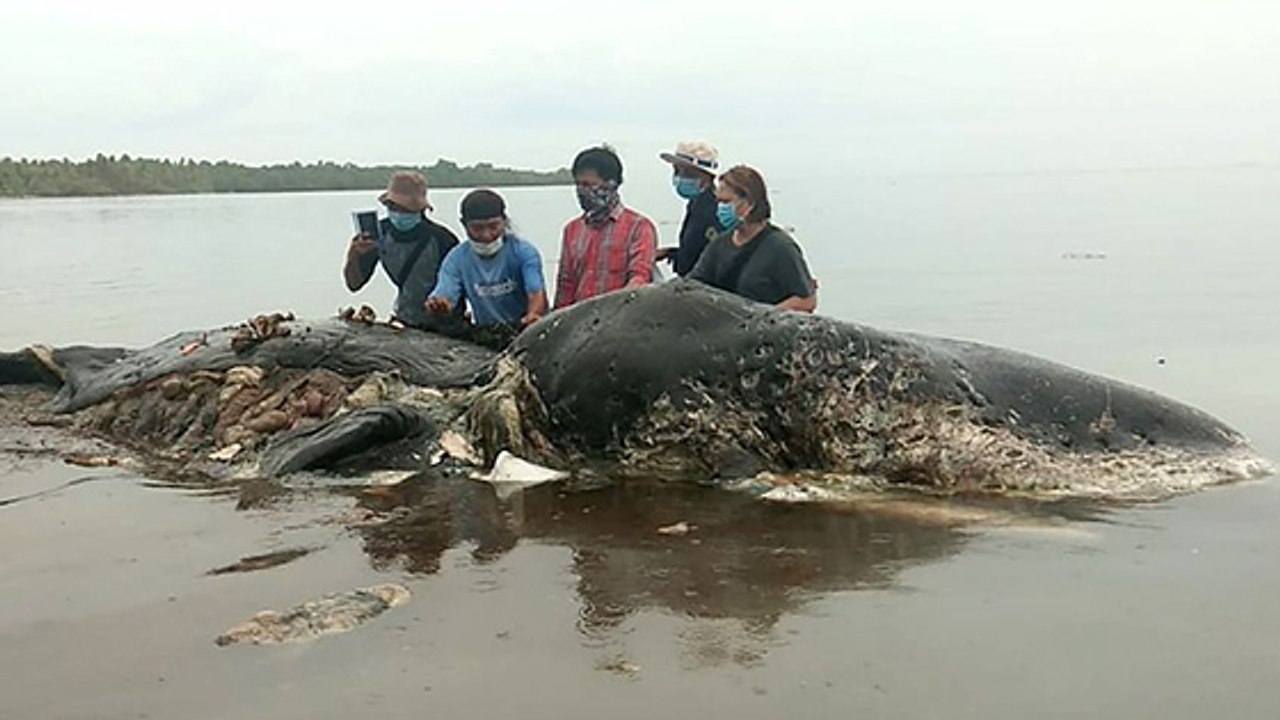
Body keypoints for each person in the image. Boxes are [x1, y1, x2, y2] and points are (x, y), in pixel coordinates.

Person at [688, 165, 817, 313]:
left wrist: (765, 317)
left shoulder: (780, 247)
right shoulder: (719, 245)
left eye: (726, 202)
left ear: (749, 203)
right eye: (719, 202)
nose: (720, 208)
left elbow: (806, 301)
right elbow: (694, 285)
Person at [343, 171, 458, 328]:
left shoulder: (442, 239)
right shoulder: (378, 233)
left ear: (421, 209)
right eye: (393, 206)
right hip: (403, 320)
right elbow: (354, 285)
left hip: (445, 324)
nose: (399, 212)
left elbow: (459, 286)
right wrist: (353, 255)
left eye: (407, 209)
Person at [554, 145, 658, 309]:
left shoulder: (639, 227)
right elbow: (566, 285)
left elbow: (640, 278)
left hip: (620, 319)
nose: (582, 191)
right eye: (578, 185)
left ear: (611, 184)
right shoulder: (571, 230)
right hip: (579, 321)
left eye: (589, 185)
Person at [426, 189, 548, 328]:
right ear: (464, 224)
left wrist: (533, 316)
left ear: (504, 221)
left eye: (493, 226)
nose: (486, 235)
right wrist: (439, 306)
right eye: (477, 229)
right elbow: (445, 294)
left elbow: (536, 291)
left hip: (525, 327)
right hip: (487, 331)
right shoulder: (456, 259)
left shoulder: (523, 252)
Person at [656, 140, 726, 276]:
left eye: (687, 173)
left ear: (705, 176)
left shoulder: (713, 210)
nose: (679, 177)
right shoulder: (696, 204)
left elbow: (709, 258)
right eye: (676, 171)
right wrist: (672, 253)